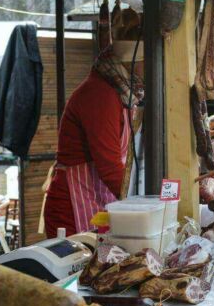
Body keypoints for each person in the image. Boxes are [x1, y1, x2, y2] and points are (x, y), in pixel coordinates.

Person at [43, 36, 142, 237]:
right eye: (145, 63)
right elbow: (109, 165)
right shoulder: (100, 94)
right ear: (130, 63)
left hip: (95, 198)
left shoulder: (119, 93)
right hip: (71, 207)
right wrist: (140, 203)